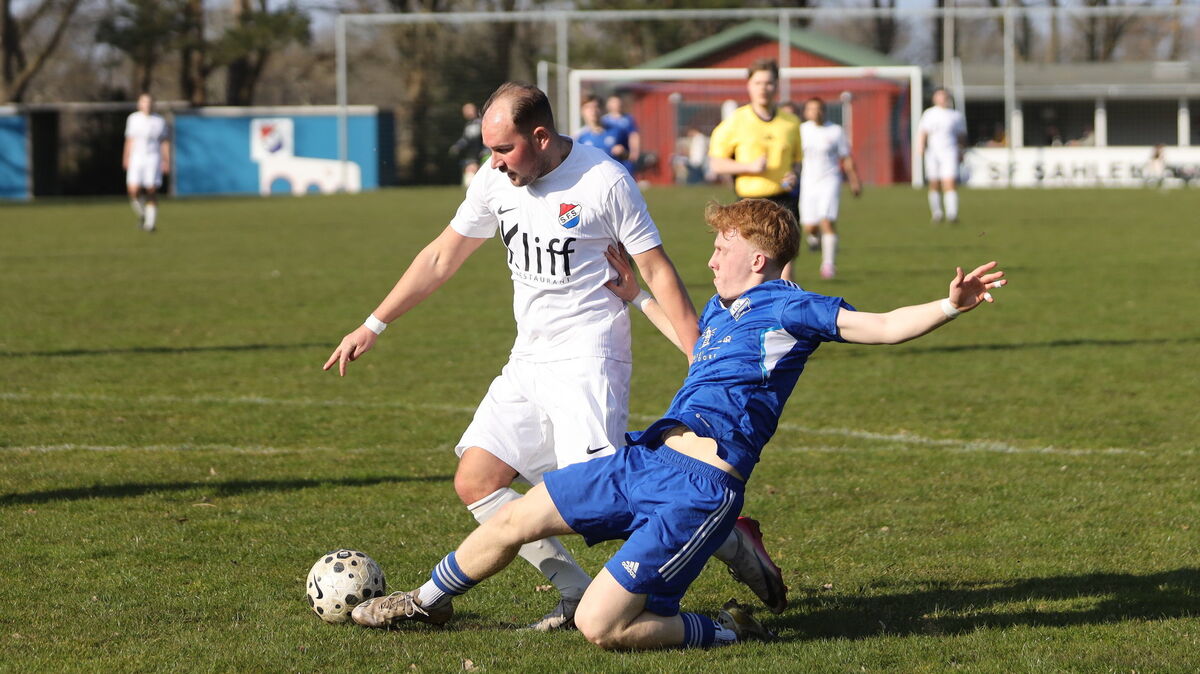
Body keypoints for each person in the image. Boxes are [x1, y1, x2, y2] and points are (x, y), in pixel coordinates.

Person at [349, 198, 1007, 651]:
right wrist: (634, 294)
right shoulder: (724, 313)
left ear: (758, 258)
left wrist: (948, 306)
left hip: (700, 492)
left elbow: (884, 327)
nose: (712, 258)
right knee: (515, 517)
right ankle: (421, 602)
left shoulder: (792, 308)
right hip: (646, 458)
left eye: (724, 247)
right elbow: (694, 349)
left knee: (602, 627)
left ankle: (726, 629)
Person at [323, 82, 786, 631]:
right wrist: (374, 323)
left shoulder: (604, 181)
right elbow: (444, 254)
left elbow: (656, 268)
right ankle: (574, 593)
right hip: (528, 358)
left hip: (588, 361)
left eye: (503, 149)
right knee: (477, 479)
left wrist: (698, 356)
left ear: (540, 136)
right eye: (489, 149)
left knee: (606, 504)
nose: (492, 163)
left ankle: (729, 537)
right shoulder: (495, 180)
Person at [708, 59, 803, 282]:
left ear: (776, 86)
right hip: (750, 203)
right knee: (751, 265)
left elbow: (797, 160)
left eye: (769, 83)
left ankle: (784, 312)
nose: (764, 88)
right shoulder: (736, 121)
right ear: (749, 85)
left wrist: (794, 173)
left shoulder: (791, 123)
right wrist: (747, 167)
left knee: (784, 263)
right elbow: (716, 163)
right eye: (758, 82)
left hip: (784, 201)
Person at [799, 97, 861, 280]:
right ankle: (814, 238)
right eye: (811, 109)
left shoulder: (835, 131)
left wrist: (854, 180)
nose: (815, 112)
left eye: (818, 108)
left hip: (829, 180)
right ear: (806, 112)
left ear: (823, 111)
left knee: (826, 221)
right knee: (809, 226)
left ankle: (828, 265)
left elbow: (846, 157)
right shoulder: (801, 131)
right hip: (808, 182)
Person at [916, 88, 966, 224]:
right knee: (934, 183)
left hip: (949, 152)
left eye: (944, 96)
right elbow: (923, 132)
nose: (942, 99)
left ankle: (952, 214)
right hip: (933, 153)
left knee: (949, 182)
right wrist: (920, 147)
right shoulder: (929, 114)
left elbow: (961, 136)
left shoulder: (955, 115)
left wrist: (961, 151)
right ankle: (937, 213)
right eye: (939, 96)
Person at [123, 93, 170, 232]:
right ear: (139, 104)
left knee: (151, 189)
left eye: (149, 102)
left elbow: (164, 142)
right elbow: (129, 139)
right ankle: (144, 214)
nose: (147, 104)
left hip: (153, 158)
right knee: (133, 191)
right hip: (136, 157)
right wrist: (125, 157)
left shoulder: (159, 121)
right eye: (144, 102)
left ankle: (150, 224)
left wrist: (166, 160)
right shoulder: (133, 119)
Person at [576, 96, 629, 173]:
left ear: (603, 110)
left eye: (596, 107)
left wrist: (623, 152)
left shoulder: (617, 131)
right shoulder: (580, 137)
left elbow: (629, 156)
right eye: (588, 108)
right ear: (582, 112)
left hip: (615, 176)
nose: (593, 111)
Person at [602, 94, 640, 175]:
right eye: (614, 102)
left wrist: (634, 152)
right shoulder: (604, 120)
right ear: (608, 105)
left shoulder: (628, 119)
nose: (617, 105)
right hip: (609, 155)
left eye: (618, 102)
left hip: (625, 156)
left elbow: (633, 135)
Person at [449, 102, 484, 187]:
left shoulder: (483, 122)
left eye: (469, 109)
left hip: (484, 152)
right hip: (473, 153)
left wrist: (487, 149)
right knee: (470, 172)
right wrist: (457, 146)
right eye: (465, 110)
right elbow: (465, 139)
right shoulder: (468, 125)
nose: (467, 112)